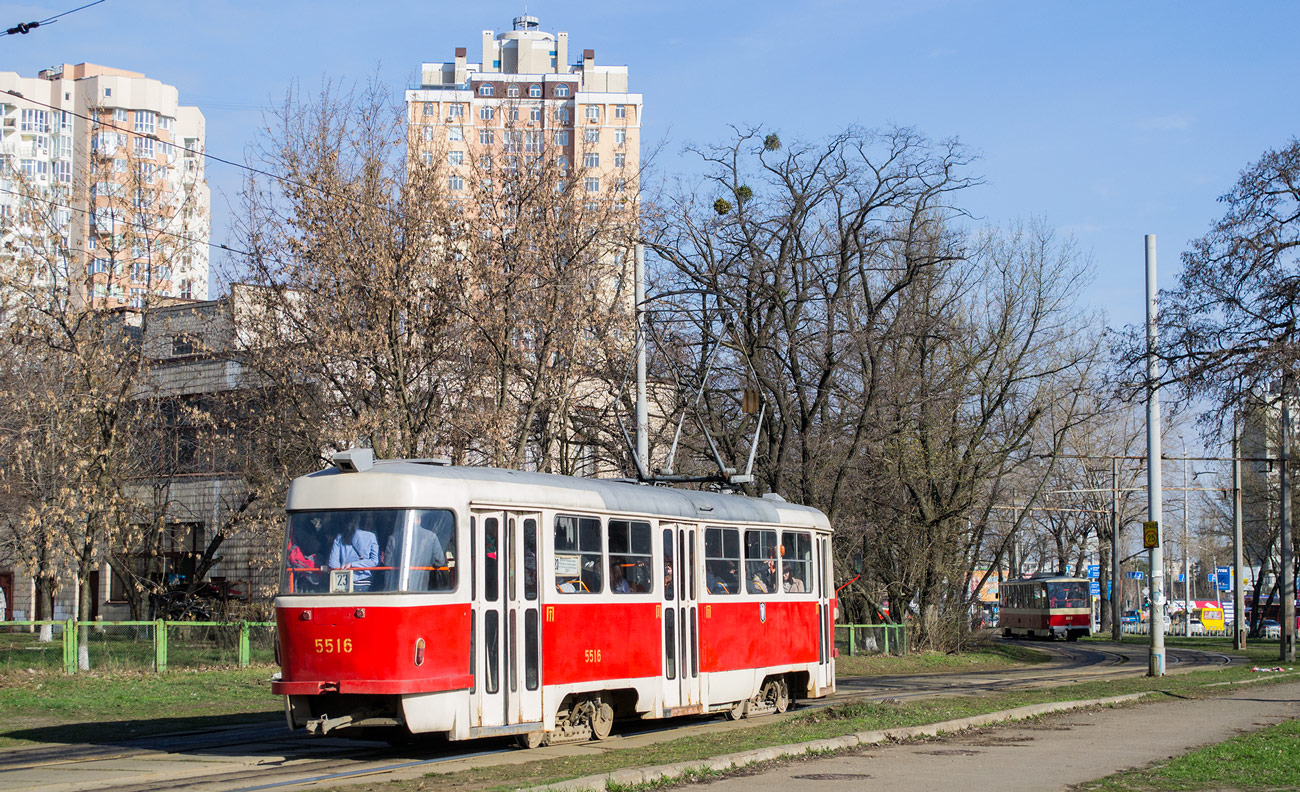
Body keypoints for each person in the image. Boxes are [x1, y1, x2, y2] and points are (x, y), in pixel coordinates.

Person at [328, 518, 379, 591]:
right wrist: (353, 565)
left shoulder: (339, 538)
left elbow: (333, 564)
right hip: (363, 579)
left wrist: (344, 567)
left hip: (343, 581)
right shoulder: (371, 536)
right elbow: (374, 561)